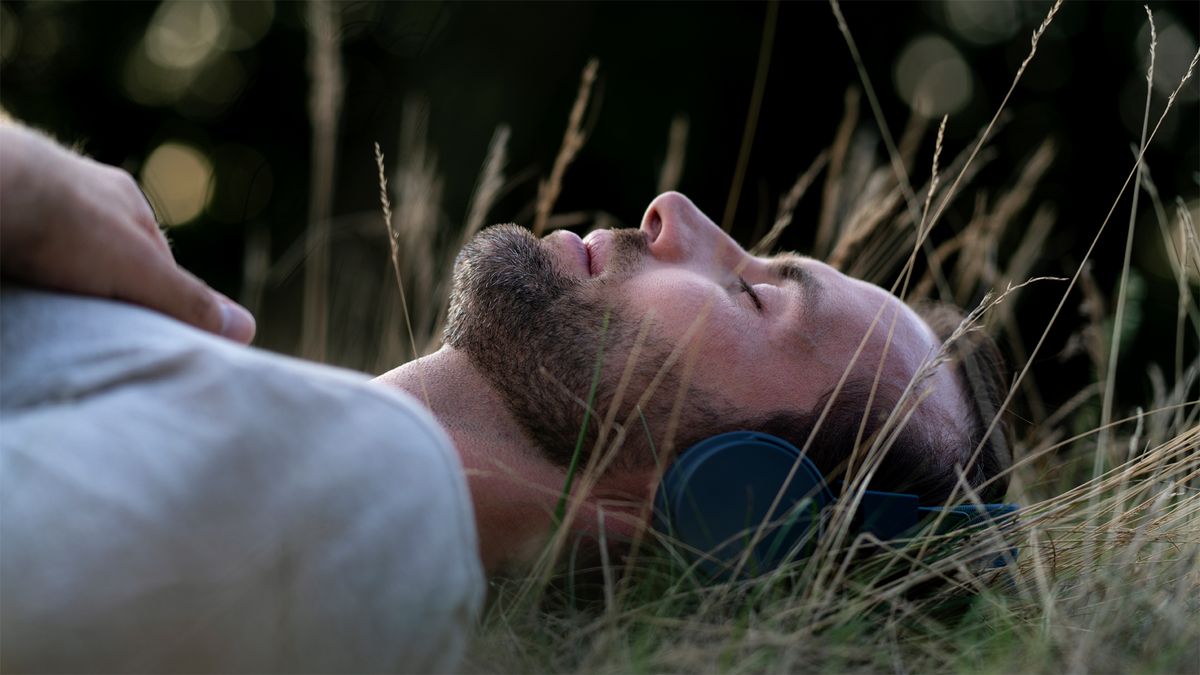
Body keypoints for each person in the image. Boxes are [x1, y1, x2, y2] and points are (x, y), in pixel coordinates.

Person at [0, 120, 1011, 671]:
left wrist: (23, 184)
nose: (675, 213)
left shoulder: (370, 513)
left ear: (740, 504)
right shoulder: (305, 467)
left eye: (752, 293)